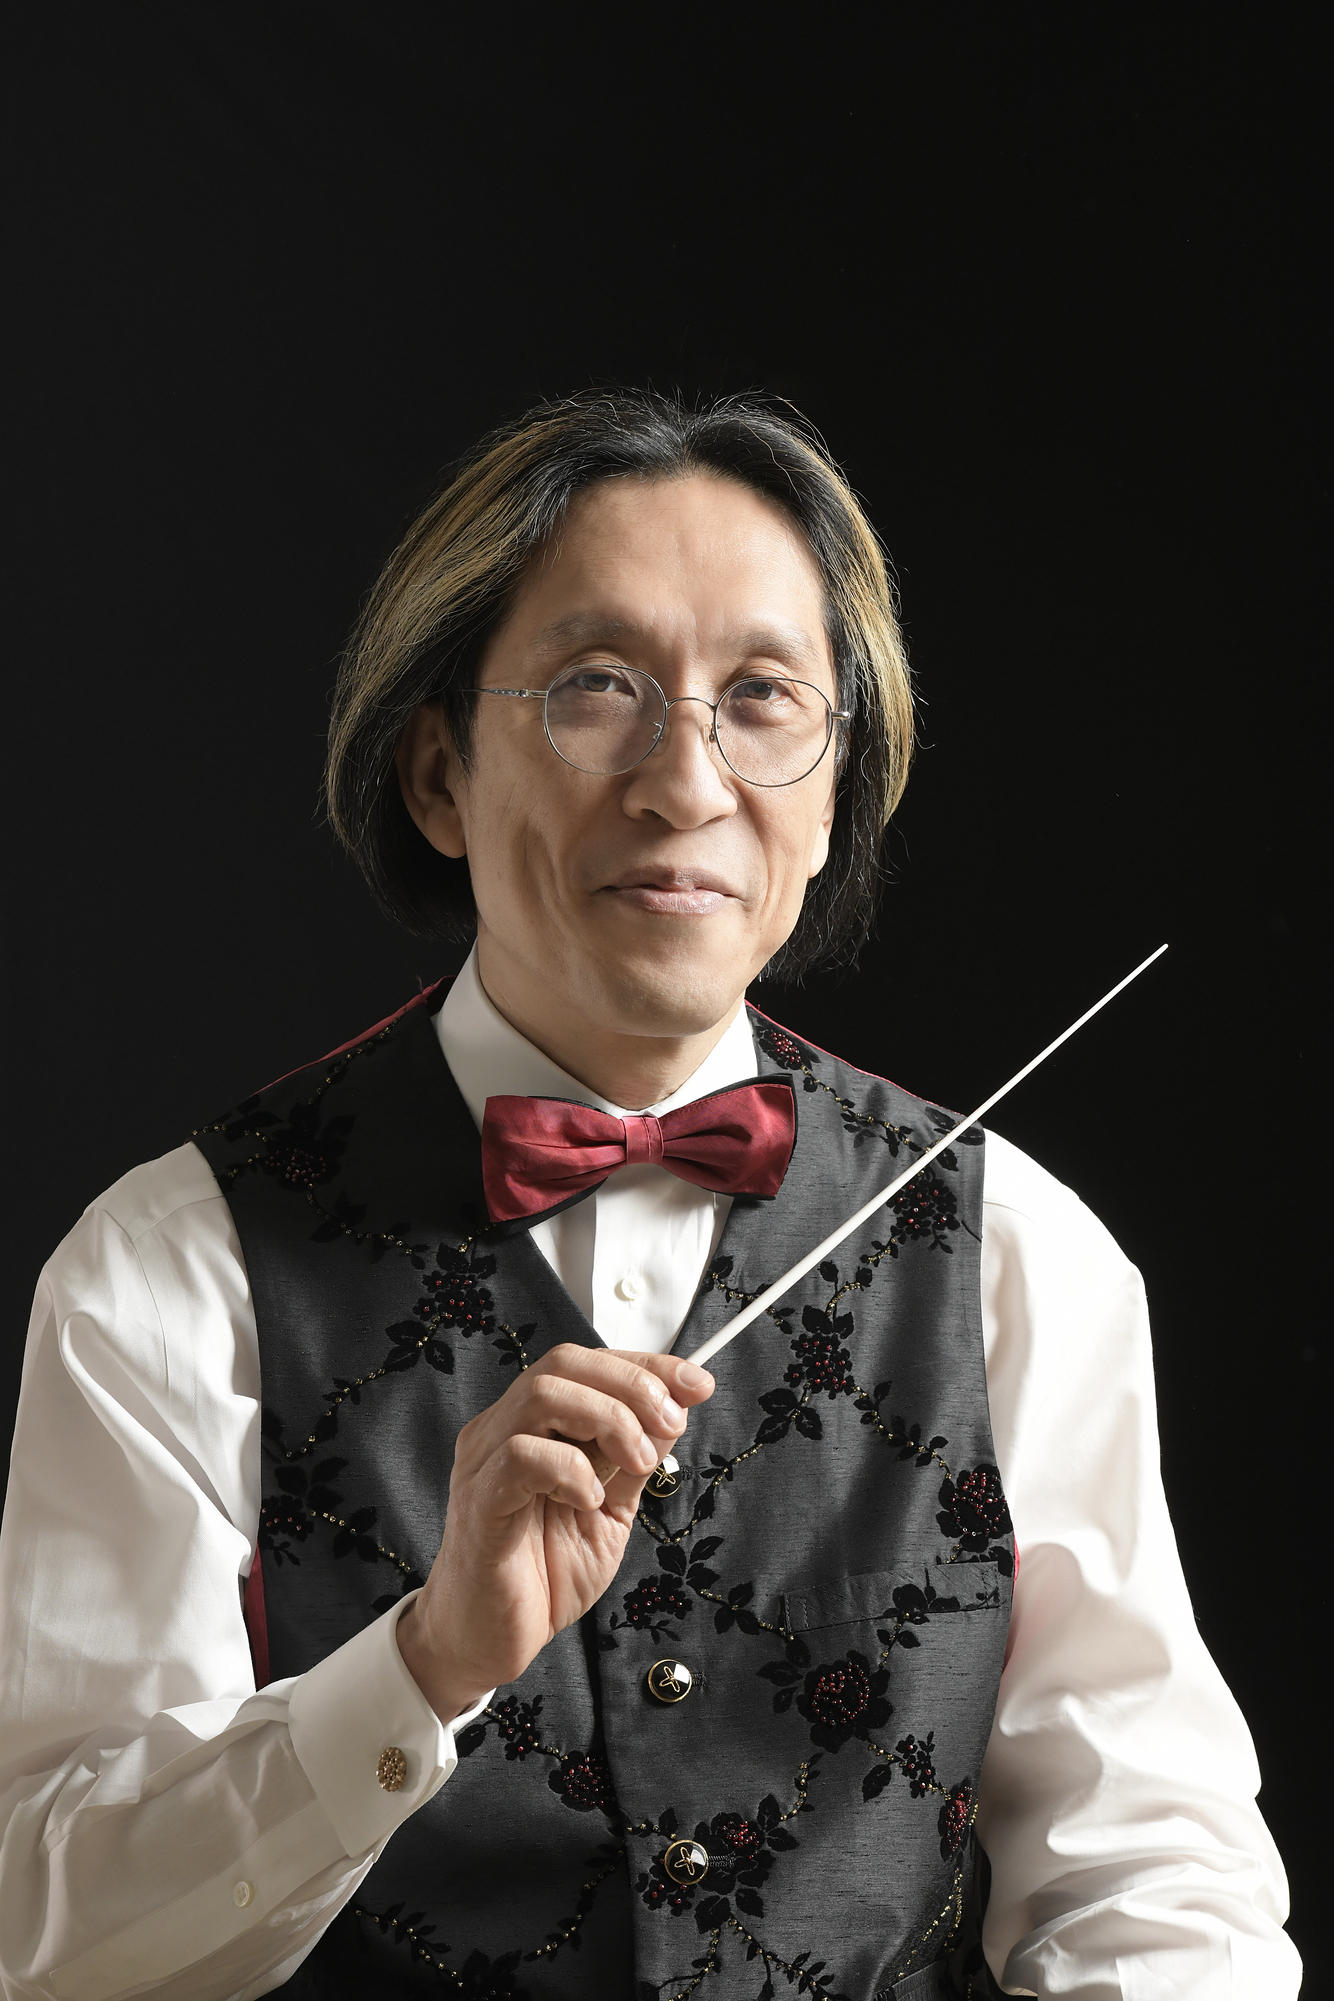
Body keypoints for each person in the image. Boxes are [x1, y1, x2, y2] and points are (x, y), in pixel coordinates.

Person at [0, 391, 1298, 2000]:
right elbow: (55, 1941)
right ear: (436, 772)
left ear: (831, 792)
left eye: (762, 698)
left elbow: (1148, 1877)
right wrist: (418, 1668)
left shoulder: (1019, 1258)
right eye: (596, 687)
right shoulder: (171, 1267)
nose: (685, 781)